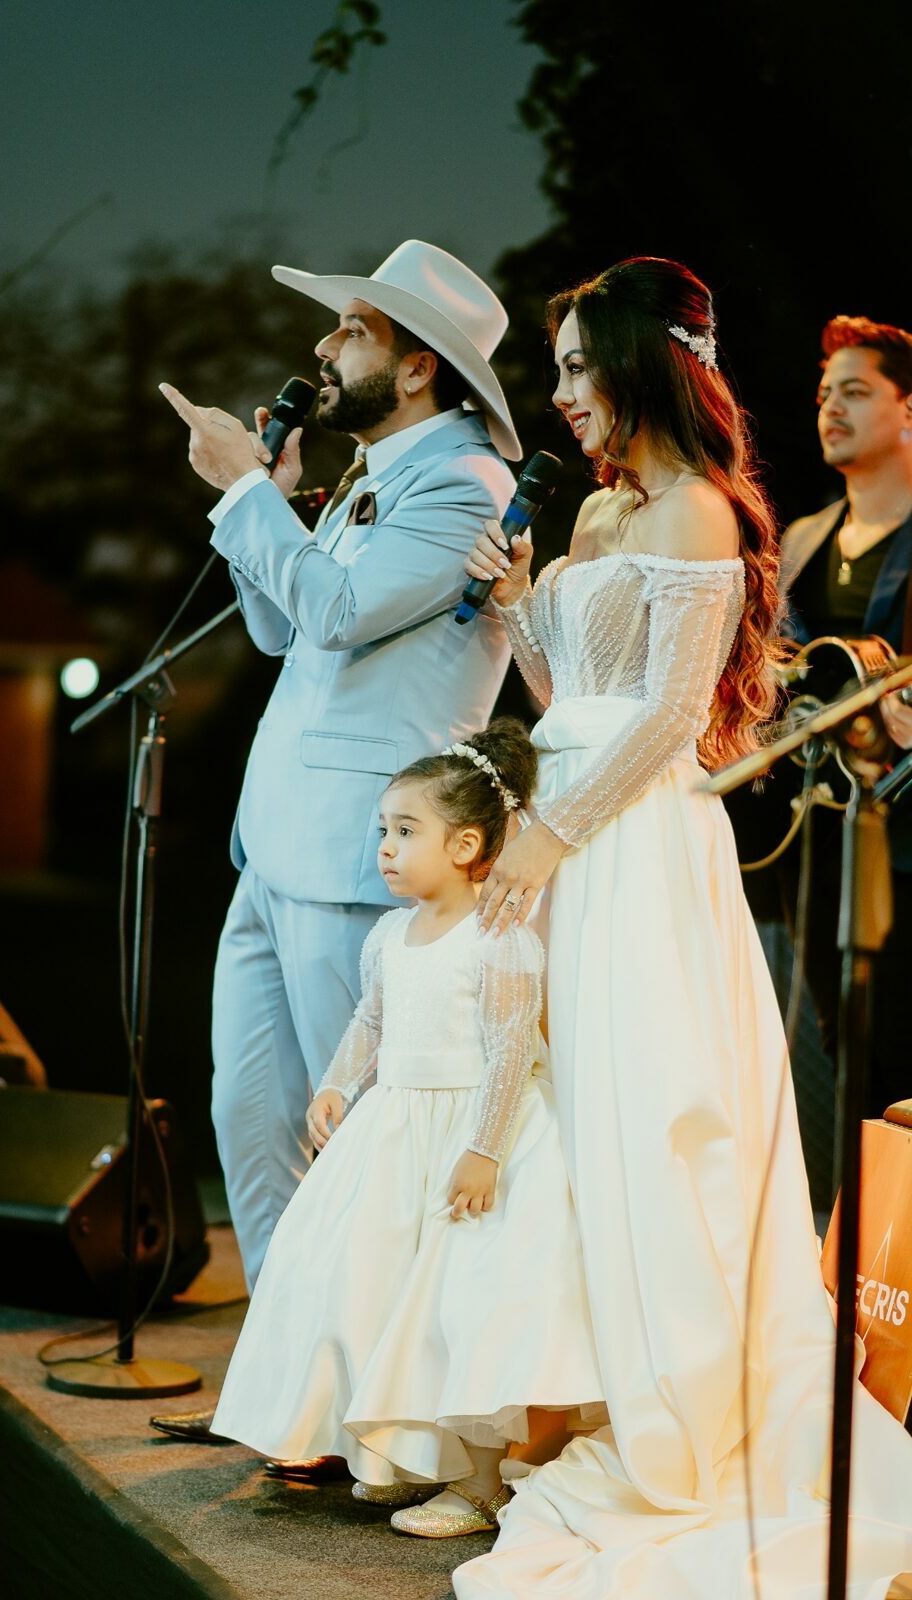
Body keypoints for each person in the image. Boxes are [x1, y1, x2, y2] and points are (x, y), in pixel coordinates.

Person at [451, 260, 912, 1598]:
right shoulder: (600, 508)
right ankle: (574, 1394)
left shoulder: (703, 509)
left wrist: (553, 831)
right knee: (563, 1116)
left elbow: (665, 716)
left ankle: (675, 1409)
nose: (560, 393)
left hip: (638, 843)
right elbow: (570, 698)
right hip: (567, 817)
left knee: (649, 1113)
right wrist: (519, 600)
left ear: (641, 363)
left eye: (576, 366)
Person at [157, 241, 519, 1298]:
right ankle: (287, 1356)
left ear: (417, 367)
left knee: (351, 1129)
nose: (323, 347)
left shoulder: (464, 485)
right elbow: (281, 628)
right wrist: (268, 501)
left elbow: (340, 610)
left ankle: (368, 1359)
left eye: (352, 329)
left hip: (365, 851)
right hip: (274, 846)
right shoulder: (371, 476)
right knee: (246, 1114)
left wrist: (244, 494)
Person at [208, 718, 602, 1536]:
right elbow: (372, 1021)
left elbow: (509, 1054)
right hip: (396, 1132)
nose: (385, 848)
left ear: (465, 845)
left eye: (405, 831)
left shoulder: (499, 941)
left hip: (470, 1138)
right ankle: (403, 1458)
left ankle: (483, 1483)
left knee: (462, 1305)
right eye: (383, 830)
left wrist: (484, 1150)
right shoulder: (391, 935)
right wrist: (337, 1084)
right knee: (377, 1291)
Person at [757, 316, 912, 1117]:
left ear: (908, 408)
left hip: (907, 828)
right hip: (818, 830)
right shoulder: (803, 539)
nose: (831, 408)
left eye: (854, 391)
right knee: (846, 1042)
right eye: (824, 395)